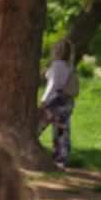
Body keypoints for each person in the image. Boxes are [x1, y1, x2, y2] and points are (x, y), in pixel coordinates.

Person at [39, 38, 79, 170]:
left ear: (57, 51)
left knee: (38, 125)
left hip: (55, 101)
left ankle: (21, 149)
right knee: (61, 131)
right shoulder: (69, 66)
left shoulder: (57, 65)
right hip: (67, 102)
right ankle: (61, 159)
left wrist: (44, 100)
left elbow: (53, 84)